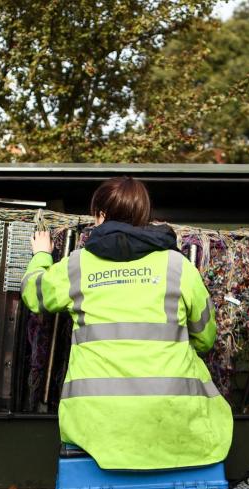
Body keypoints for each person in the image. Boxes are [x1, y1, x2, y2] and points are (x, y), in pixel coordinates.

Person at [20, 176, 233, 470]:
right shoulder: (177, 267)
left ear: (100, 215)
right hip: (174, 415)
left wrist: (41, 255)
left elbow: (34, 294)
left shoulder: (77, 265)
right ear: (144, 217)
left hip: (95, 423)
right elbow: (206, 339)